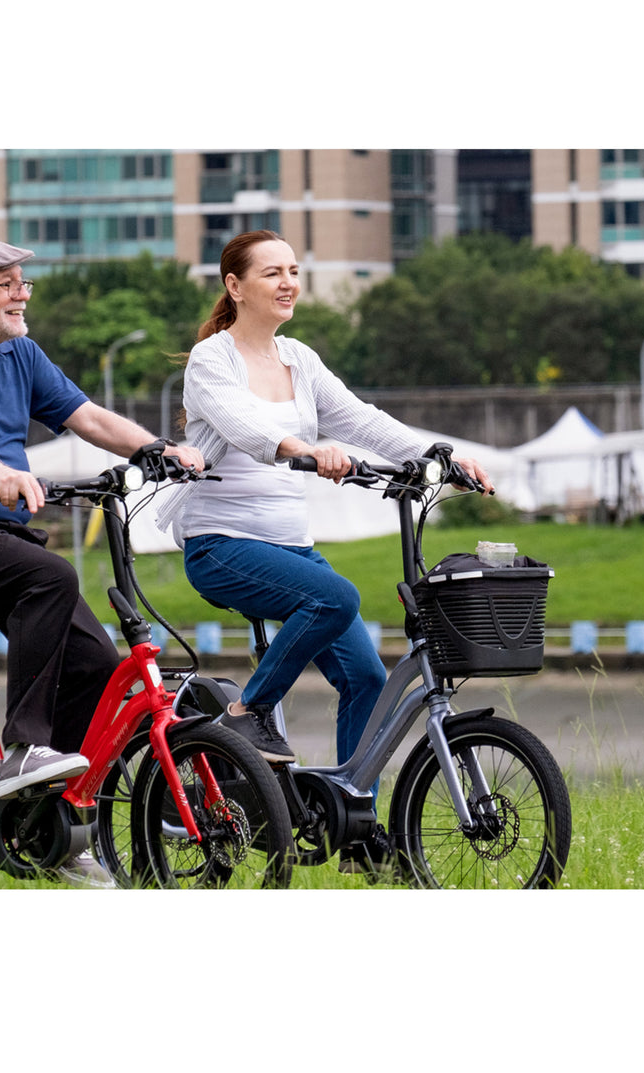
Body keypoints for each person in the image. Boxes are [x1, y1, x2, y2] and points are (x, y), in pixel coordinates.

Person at [153, 229, 492, 873]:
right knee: (337, 597)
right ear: (234, 286)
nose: (288, 283)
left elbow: (360, 419)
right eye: (271, 273)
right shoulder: (212, 362)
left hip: (291, 547)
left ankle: (351, 825)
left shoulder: (299, 360)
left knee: (366, 676)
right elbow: (244, 427)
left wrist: (438, 456)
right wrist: (301, 449)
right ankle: (245, 715)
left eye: (294, 271)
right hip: (221, 544)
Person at [0, 236, 204, 885]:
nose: (22, 292)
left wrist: (157, 450)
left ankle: (51, 826)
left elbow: (84, 415)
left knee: (96, 667)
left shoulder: (20, 354)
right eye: (5, 282)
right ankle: (23, 749)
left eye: (21, 281)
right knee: (51, 576)